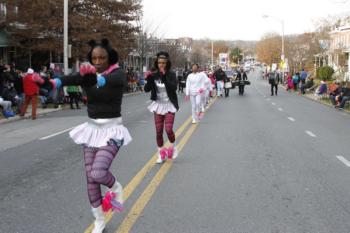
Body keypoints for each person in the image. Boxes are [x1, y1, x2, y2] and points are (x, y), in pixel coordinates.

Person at [53, 39, 131, 233]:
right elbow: (73, 78)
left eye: (101, 58)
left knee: (98, 173)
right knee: (91, 179)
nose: (97, 61)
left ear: (109, 58)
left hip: (112, 130)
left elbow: (114, 81)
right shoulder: (88, 73)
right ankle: (99, 220)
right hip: (92, 131)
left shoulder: (117, 73)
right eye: (94, 58)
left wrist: (99, 79)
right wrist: (56, 81)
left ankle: (117, 188)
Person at [145, 51, 179, 164]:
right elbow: (146, 89)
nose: (161, 65)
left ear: (167, 63)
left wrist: (164, 77)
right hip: (159, 105)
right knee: (159, 132)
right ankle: (161, 154)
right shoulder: (154, 75)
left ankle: (174, 147)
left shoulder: (171, 74)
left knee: (168, 130)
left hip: (169, 105)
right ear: (157, 63)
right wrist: (149, 79)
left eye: (164, 63)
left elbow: (173, 87)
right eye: (159, 63)